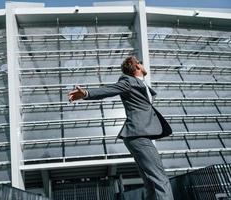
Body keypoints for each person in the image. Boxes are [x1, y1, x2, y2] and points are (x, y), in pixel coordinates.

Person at [68, 55, 174, 200]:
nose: (143, 65)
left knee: (151, 181)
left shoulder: (141, 84)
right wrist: (86, 94)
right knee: (160, 177)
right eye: (140, 62)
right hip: (138, 135)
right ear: (136, 65)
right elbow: (109, 90)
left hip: (138, 136)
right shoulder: (128, 81)